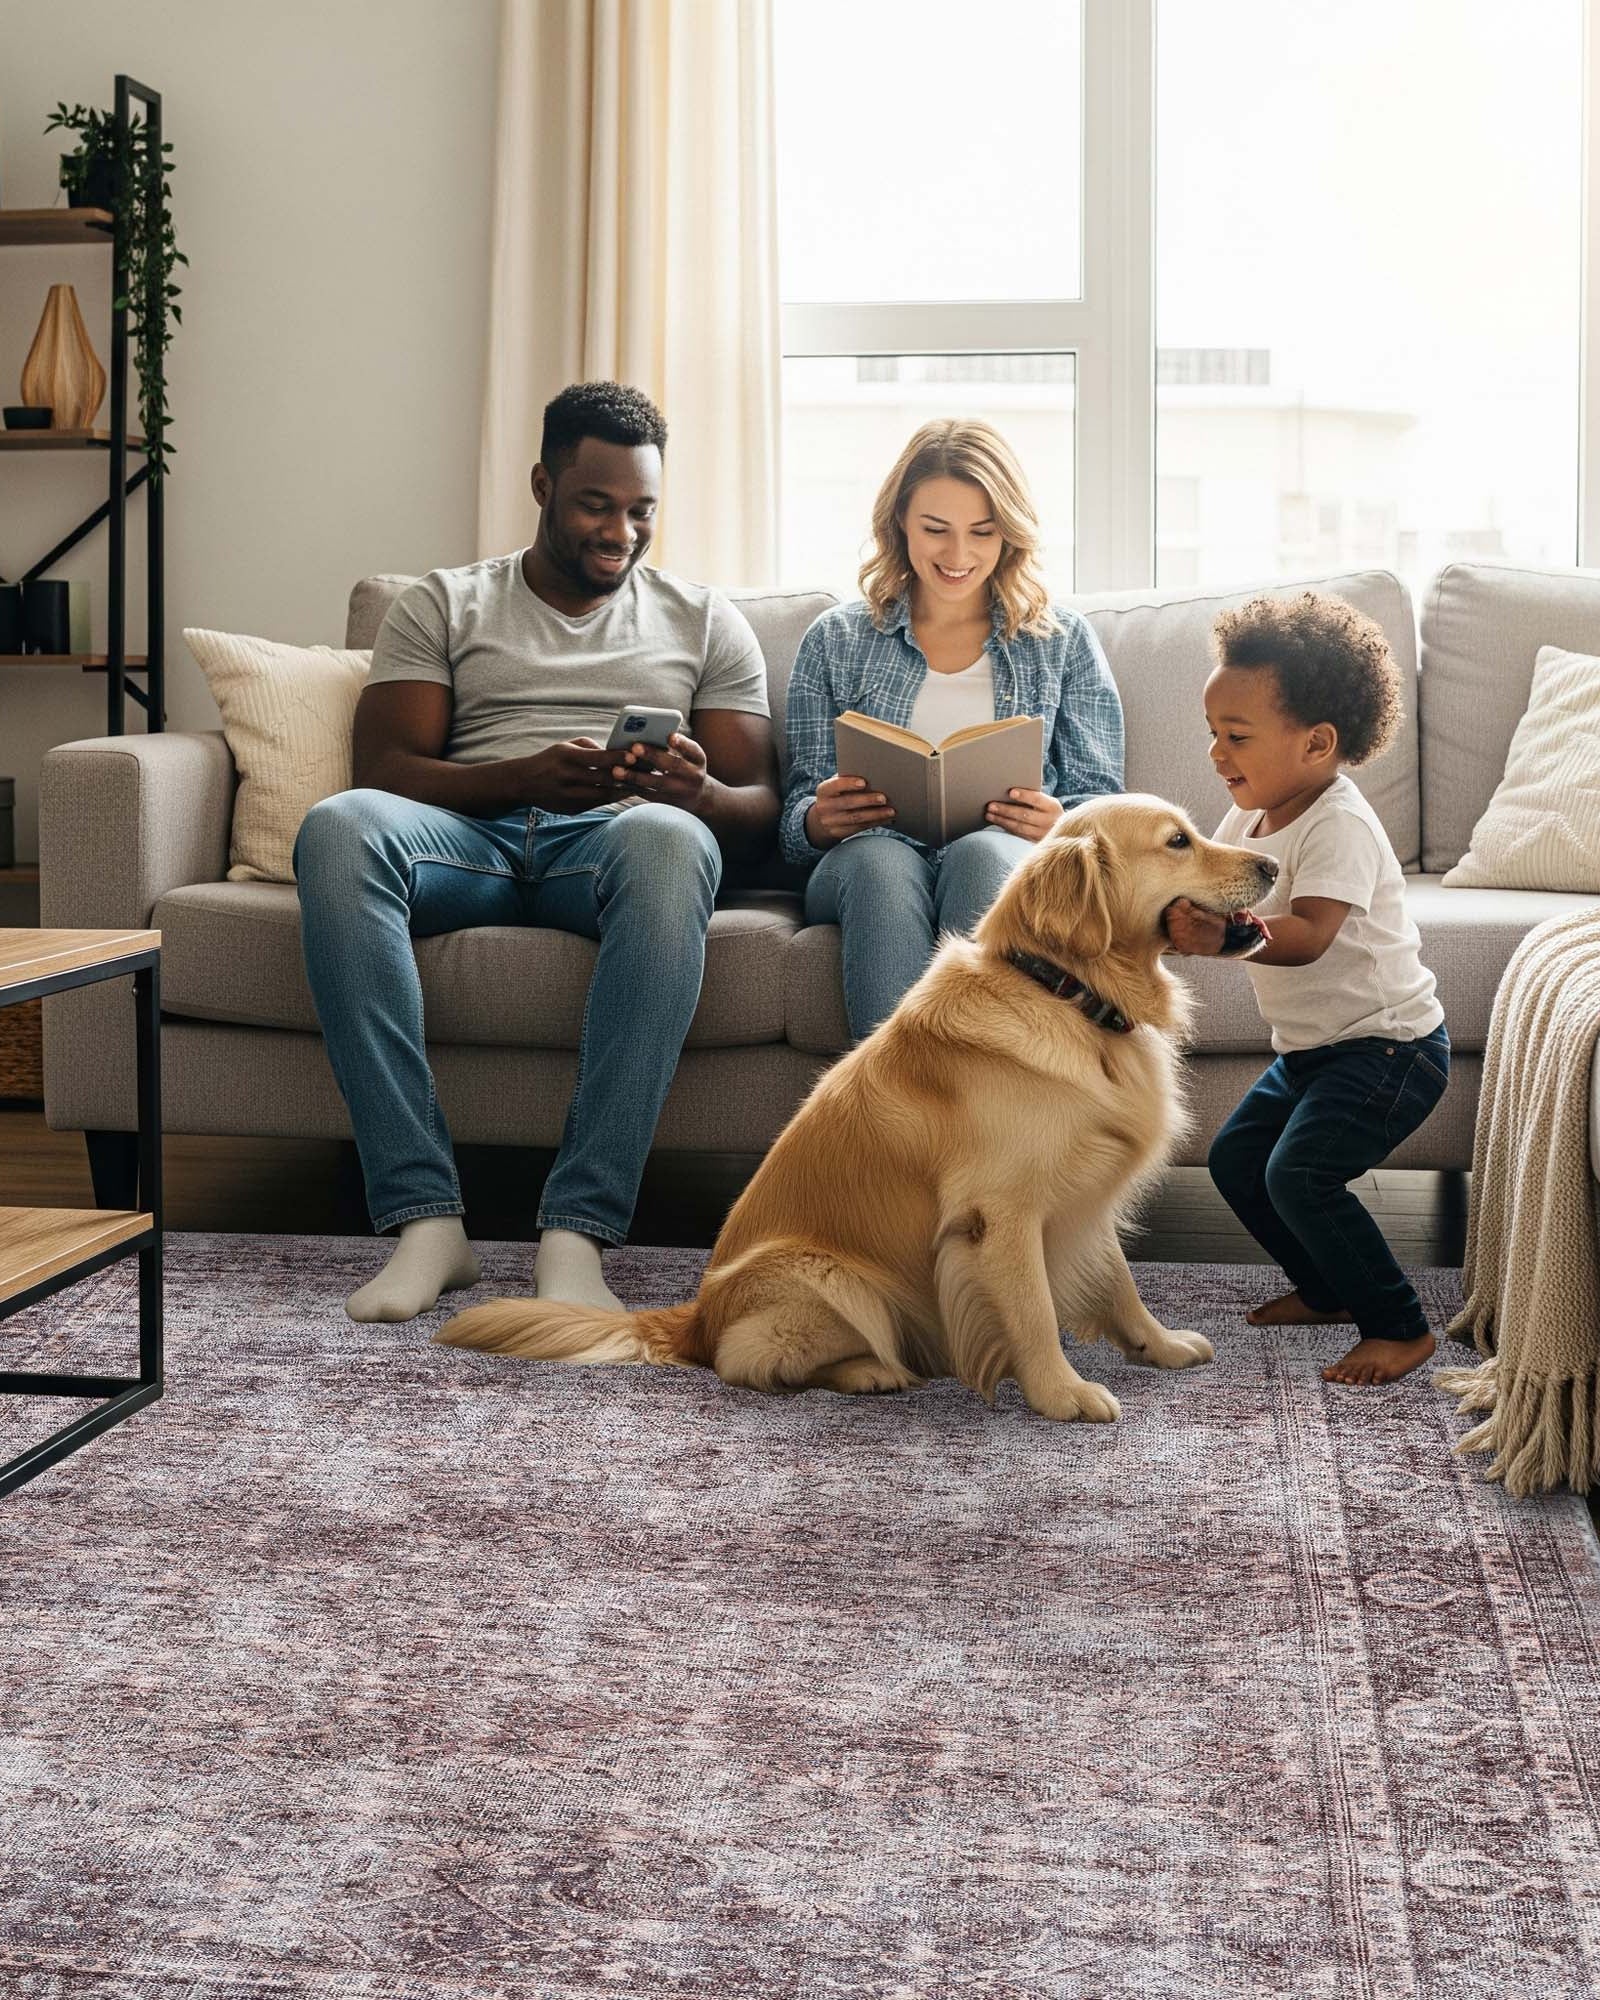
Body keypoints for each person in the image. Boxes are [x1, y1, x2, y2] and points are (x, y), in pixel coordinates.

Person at [294, 381, 779, 1323]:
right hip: (467, 838)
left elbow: (761, 808)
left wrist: (698, 792)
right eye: (596, 504)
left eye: (641, 510)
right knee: (339, 826)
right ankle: (425, 1220)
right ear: (542, 485)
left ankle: (578, 1232)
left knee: (671, 840)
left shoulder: (703, 619)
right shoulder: (441, 603)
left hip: (611, 845)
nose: (621, 532)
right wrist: (521, 777)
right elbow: (382, 766)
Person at [1165, 592, 1450, 1386]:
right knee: (1236, 1161)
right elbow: (1203, 891)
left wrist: (1221, 937)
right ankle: (1326, 1290)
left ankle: (1399, 1324)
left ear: (1317, 743)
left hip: (1389, 1048)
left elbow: (1310, 932)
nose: (1219, 753)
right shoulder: (1242, 822)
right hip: (1314, 1052)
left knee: (1300, 1173)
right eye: (1214, 734)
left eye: (1239, 736)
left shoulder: (1338, 823)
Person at [780, 418, 1123, 1041]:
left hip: (1000, 854)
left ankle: (976, 1115)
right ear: (900, 525)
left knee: (983, 855)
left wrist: (1060, 828)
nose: (958, 556)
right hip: (864, 863)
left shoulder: (1063, 642)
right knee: (882, 865)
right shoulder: (835, 639)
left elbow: (1101, 806)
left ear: (1009, 535)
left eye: (982, 533)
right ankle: (891, 1116)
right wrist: (815, 820)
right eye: (935, 530)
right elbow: (796, 817)